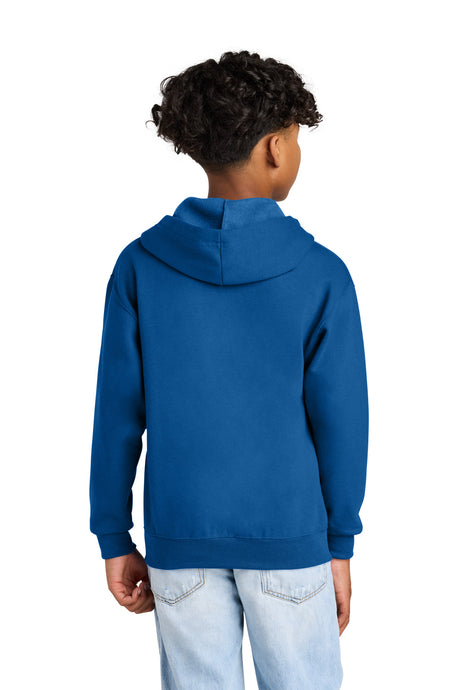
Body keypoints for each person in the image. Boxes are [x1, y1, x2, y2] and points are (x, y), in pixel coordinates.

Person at [89, 50, 369, 690]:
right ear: (275, 148)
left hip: (179, 539)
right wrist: (339, 544)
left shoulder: (140, 265)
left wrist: (113, 535)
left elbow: (116, 415)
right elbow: (342, 423)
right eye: (296, 140)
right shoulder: (322, 273)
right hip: (290, 537)